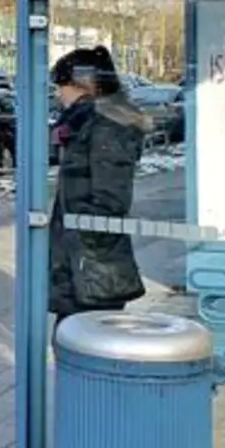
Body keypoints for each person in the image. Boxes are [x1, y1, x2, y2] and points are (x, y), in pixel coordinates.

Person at [48, 45, 151, 321]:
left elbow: (110, 200)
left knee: (80, 344)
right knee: (73, 342)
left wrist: (81, 243)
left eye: (61, 87)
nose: (59, 95)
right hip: (80, 260)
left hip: (92, 265)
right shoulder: (85, 124)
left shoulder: (107, 126)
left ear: (80, 86)